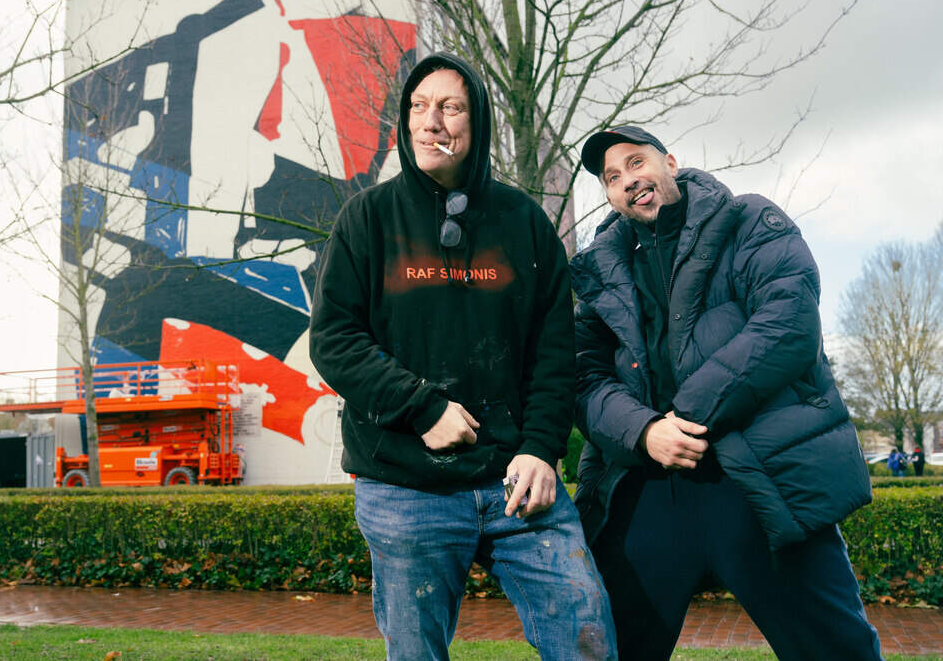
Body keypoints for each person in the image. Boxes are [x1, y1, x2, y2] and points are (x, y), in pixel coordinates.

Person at [308, 53, 616, 660]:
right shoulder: (366, 219)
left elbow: (556, 353)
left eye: (451, 107)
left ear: (477, 125)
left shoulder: (524, 222)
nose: (432, 122)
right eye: (419, 107)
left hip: (516, 484)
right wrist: (421, 407)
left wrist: (540, 447)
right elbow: (335, 340)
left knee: (586, 637)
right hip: (404, 485)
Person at [571, 125, 883, 659]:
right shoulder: (602, 269)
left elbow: (789, 324)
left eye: (636, 162)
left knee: (836, 648)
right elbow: (582, 376)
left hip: (755, 477)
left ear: (670, 162)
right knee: (612, 648)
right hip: (651, 486)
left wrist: (680, 418)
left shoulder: (749, 221)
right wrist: (645, 432)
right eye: (612, 177)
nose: (628, 180)